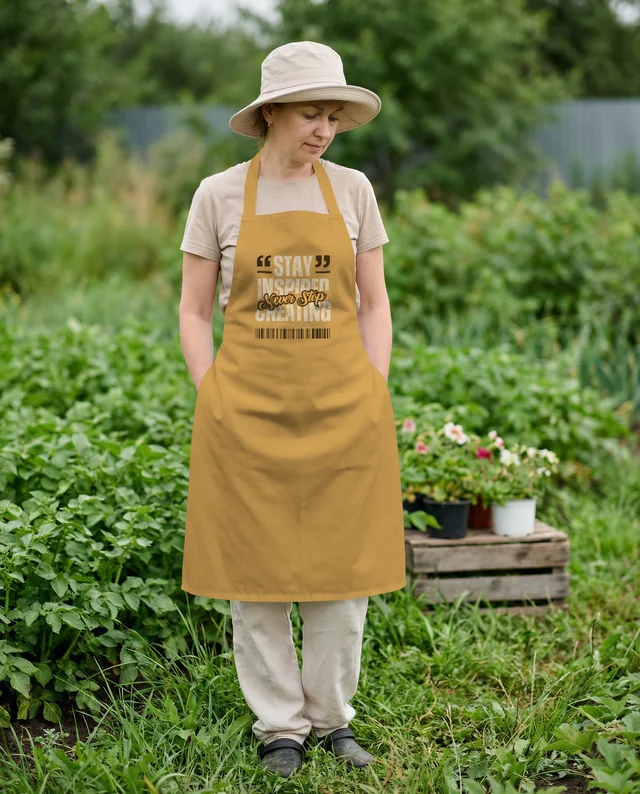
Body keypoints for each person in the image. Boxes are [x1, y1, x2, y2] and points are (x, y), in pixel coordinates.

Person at [178, 40, 406, 779]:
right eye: (312, 114)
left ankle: (333, 719)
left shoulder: (353, 190)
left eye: (334, 116)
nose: (324, 130)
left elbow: (376, 304)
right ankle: (279, 726)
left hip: (345, 410)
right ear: (272, 113)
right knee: (256, 574)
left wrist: (375, 386)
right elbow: (191, 310)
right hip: (246, 413)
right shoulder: (217, 194)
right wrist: (210, 390)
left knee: (343, 575)